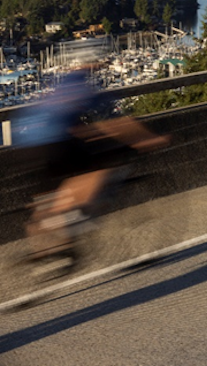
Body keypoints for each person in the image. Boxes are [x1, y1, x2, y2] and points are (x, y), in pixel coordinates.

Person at [17, 40, 170, 272]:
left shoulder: (62, 83)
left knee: (51, 194)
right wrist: (148, 139)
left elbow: (72, 122)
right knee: (97, 176)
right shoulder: (85, 87)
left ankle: (43, 248)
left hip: (26, 141)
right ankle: (66, 225)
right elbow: (117, 124)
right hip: (54, 141)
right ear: (93, 63)